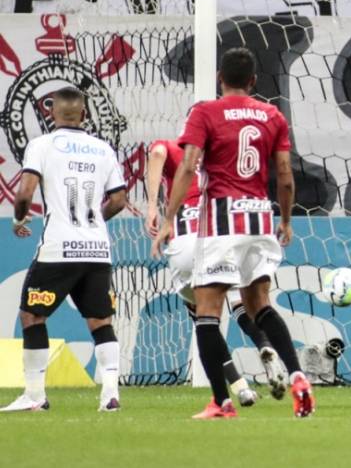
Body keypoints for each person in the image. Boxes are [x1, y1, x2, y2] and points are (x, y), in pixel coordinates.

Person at [152, 47, 314, 419]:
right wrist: (286, 220)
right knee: (260, 304)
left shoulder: (205, 112)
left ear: (219, 78)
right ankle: (299, 376)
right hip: (259, 218)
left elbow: (189, 166)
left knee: (207, 313)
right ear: (254, 81)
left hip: (222, 221)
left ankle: (221, 402)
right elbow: (286, 174)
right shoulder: (272, 115)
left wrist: (168, 219)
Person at [1, 87, 127, 413]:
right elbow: (119, 200)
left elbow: (25, 193)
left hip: (59, 249)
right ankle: (110, 395)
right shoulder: (103, 149)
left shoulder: (42, 145)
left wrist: (18, 219)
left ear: (51, 114)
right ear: (84, 115)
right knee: (101, 320)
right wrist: (94, 219)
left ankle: (34, 395)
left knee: (32, 315)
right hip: (97, 250)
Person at [145, 137, 286, 404]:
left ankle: (238, 388)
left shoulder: (175, 148)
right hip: (225, 233)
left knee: (205, 320)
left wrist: (152, 206)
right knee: (239, 301)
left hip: (187, 236)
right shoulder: (223, 157)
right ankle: (265, 344)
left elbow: (156, 154)